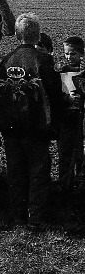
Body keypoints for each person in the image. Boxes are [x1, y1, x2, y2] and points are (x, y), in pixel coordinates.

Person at [0, 13, 65, 229]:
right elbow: (54, 92)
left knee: (15, 171)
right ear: (37, 35)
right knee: (38, 172)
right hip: (36, 126)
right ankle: (36, 217)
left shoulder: (7, 59)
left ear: (16, 35)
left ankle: (17, 214)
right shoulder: (44, 59)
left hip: (10, 126)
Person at [57, 36, 85, 192]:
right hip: (66, 119)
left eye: (72, 54)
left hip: (79, 118)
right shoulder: (62, 71)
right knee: (65, 153)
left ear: (81, 54)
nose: (68, 57)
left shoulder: (83, 73)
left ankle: (80, 183)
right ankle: (65, 183)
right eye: (66, 53)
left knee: (80, 152)